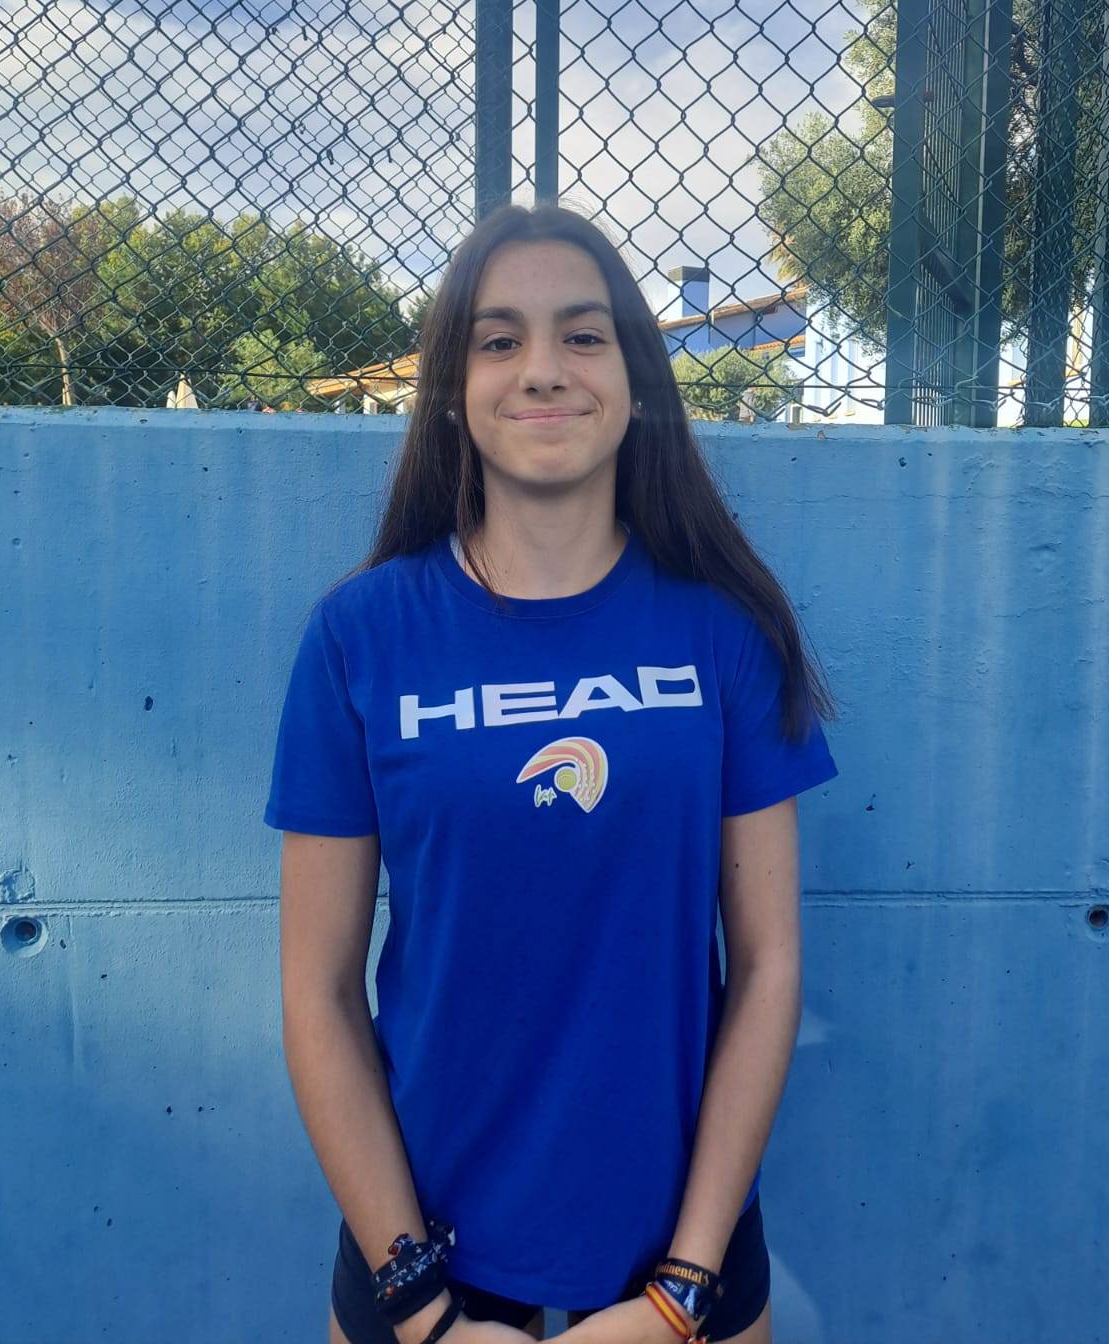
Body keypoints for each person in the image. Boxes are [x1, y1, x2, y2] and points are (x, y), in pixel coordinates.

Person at [262, 201, 840, 1344]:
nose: (543, 369)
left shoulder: (724, 631)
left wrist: (682, 1291)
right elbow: (318, 994)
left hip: (684, 1251)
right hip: (421, 1252)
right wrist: (423, 1309)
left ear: (635, 378)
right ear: (454, 386)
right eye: (498, 339)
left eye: (583, 334)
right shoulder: (359, 638)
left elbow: (769, 966)